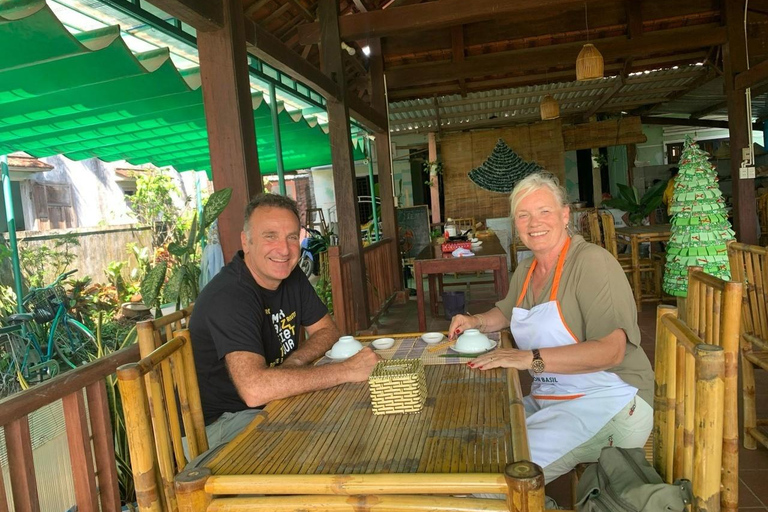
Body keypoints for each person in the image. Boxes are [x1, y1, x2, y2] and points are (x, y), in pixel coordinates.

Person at [449, 172, 654, 485]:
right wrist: (474, 321)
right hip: (554, 396)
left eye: (544, 211)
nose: (535, 223)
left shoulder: (592, 263)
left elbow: (611, 351)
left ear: (565, 214)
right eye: (524, 215)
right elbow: (506, 311)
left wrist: (527, 358)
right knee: (479, 440)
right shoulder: (529, 268)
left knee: (496, 474)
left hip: (608, 402)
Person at [190, 194, 379, 450]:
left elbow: (327, 330)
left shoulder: (290, 276)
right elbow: (254, 389)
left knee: (356, 420)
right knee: (335, 440)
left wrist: (295, 362)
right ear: (246, 241)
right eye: (270, 236)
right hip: (223, 425)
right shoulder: (231, 295)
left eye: (292, 237)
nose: (284, 249)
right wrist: (346, 370)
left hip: (270, 402)